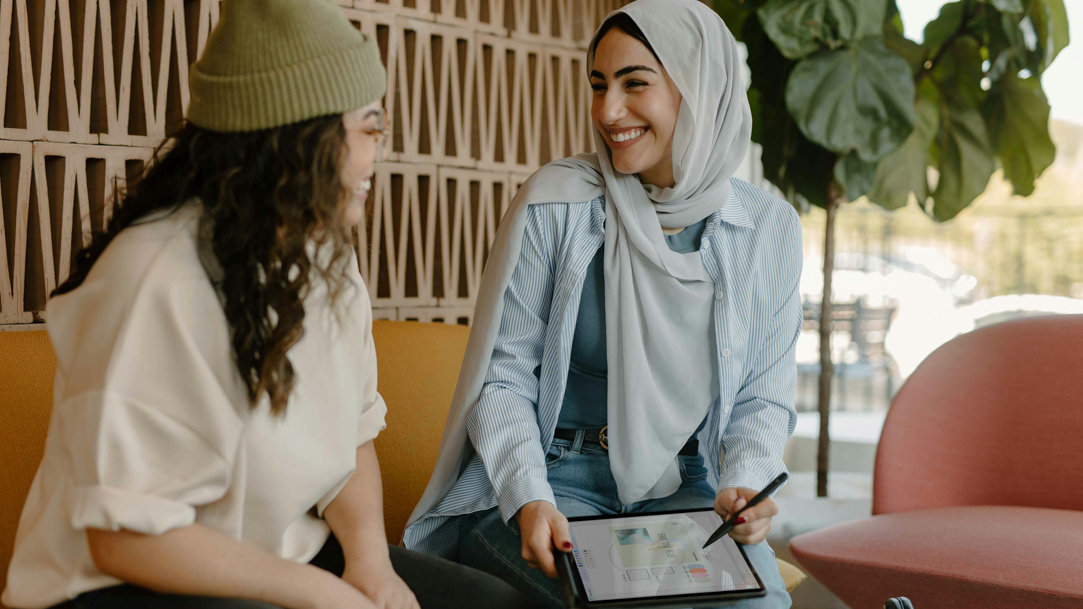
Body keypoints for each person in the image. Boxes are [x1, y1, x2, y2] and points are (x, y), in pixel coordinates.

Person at [0, 2, 539, 609]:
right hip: (120, 585)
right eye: (367, 128)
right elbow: (123, 538)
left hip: (280, 557)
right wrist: (323, 596)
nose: (377, 152)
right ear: (294, 139)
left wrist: (369, 566)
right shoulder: (155, 273)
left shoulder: (326, 254)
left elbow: (353, 438)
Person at [402, 0, 801, 607]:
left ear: (699, 89)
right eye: (598, 85)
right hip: (552, 480)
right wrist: (529, 496)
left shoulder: (768, 228)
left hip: (688, 486)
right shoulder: (557, 204)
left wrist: (745, 486)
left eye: (634, 83)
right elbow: (504, 378)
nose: (608, 112)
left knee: (760, 605)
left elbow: (762, 398)